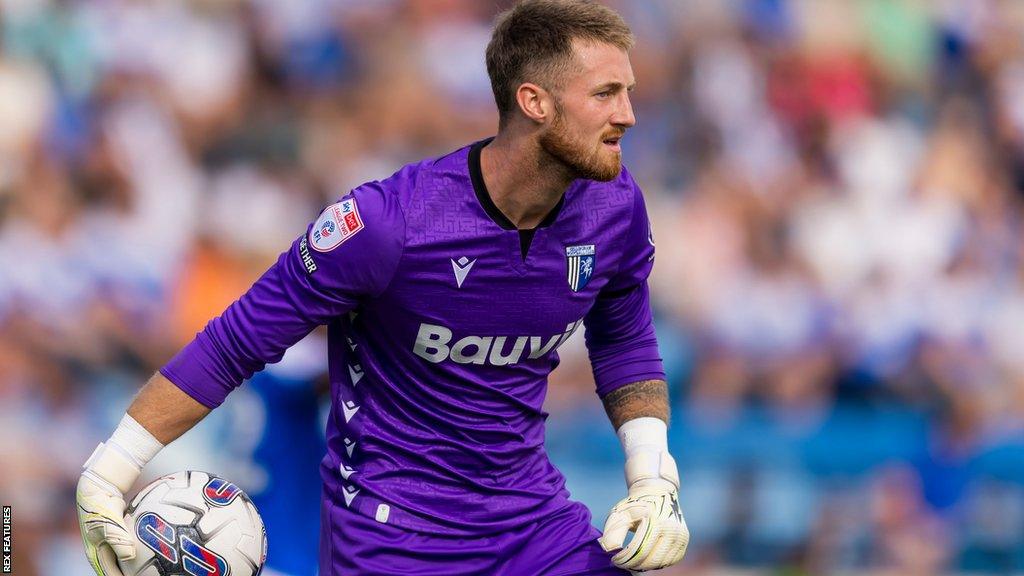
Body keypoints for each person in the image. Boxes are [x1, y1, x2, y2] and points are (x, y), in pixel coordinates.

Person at [75, 1, 690, 574]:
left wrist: (651, 478)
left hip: (533, 522)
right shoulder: (387, 224)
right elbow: (238, 340)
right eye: (606, 94)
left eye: (627, 92)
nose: (628, 114)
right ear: (534, 101)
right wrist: (111, 468)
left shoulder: (614, 206)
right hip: (393, 535)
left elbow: (624, 336)